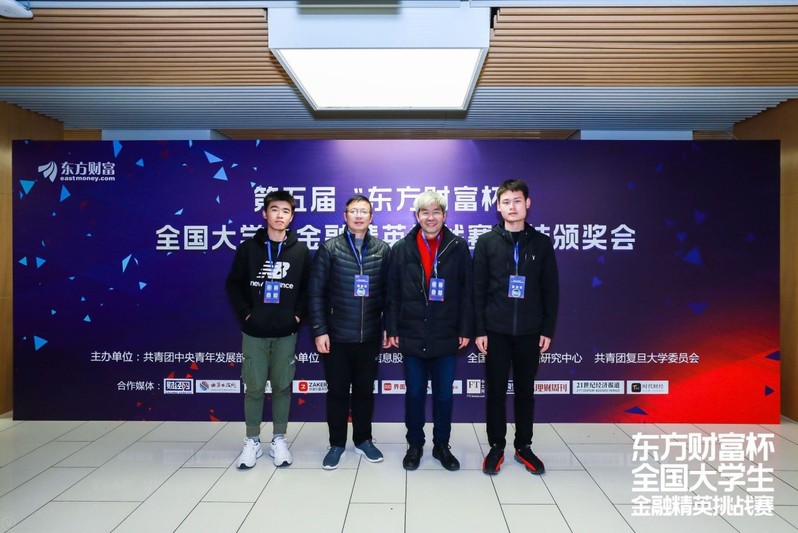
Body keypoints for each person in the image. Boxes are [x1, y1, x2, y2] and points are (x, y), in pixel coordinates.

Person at [473, 179, 559, 476]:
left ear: (528, 204)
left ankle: (524, 446)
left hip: (530, 332)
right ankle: (496, 446)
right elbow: (478, 290)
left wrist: (546, 329)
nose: (512, 207)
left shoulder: (541, 243)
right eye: (506, 202)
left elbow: (550, 290)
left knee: (525, 391)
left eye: (517, 201)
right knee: (496, 392)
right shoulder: (487, 242)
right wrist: (480, 330)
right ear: (498, 207)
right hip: (495, 331)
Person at [386, 190, 473, 471]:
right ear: (417, 216)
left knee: (444, 395)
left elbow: (467, 292)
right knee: (414, 394)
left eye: (436, 212)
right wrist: (392, 327)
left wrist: (465, 328)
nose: (431, 218)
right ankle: (415, 444)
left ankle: (441, 445)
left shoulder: (457, 247)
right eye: (425, 212)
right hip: (412, 332)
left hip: (446, 333)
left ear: (444, 216)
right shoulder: (402, 248)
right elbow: (392, 294)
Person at [226, 190, 311, 469]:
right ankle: (252, 440)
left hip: (286, 332)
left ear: (292, 217)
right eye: (274, 210)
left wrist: (296, 317)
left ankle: (278, 439)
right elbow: (234, 284)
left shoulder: (300, 251)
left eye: (285, 211)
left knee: (282, 387)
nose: (279, 215)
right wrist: (247, 315)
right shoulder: (249, 249)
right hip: (254, 333)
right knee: (254, 388)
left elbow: (308, 289)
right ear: (265, 213)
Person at [308, 195, 391, 469]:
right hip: (336, 337)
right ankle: (336, 444)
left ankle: (363, 440)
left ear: (371, 217)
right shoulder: (329, 249)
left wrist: (388, 327)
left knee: (365, 392)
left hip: (369, 336)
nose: (358, 215)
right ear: (345, 216)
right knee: (338, 392)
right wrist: (320, 330)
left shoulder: (382, 250)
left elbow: (390, 295)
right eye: (353, 211)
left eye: (363, 211)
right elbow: (316, 293)